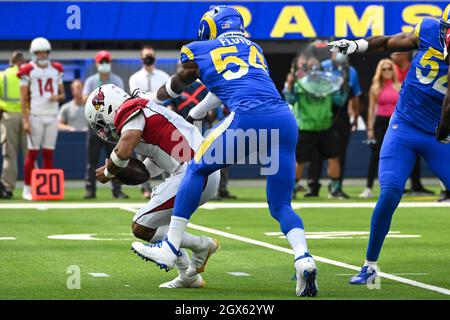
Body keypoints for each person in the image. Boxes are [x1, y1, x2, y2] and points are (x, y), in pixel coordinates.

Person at [126, 6, 318, 297]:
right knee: (280, 205)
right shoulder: (253, 47)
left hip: (249, 118)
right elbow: (226, 85)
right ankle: (303, 258)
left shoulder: (199, 48)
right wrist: (199, 110)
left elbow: (180, 83)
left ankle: (170, 246)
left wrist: (153, 97)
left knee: (196, 167)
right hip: (284, 120)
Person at [328, 10, 450, 284]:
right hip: (404, 126)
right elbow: (388, 43)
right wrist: (358, 45)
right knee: (390, 192)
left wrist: (444, 133)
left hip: (440, 133)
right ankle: (369, 265)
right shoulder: (429, 29)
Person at [85, 84, 220, 288]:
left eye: (101, 123)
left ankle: (202, 246)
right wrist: (122, 174)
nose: (105, 130)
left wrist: (108, 171)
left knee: (141, 225)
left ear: (109, 107)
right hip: (200, 171)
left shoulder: (130, 109)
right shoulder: (146, 112)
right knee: (146, 225)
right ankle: (188, 276)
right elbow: (150, 168)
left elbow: (123, 151)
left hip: (195, 173)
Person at [283, 54, 345, 199]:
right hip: (306, 127)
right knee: (299, 161)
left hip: (325, 126)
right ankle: (291, 189)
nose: (314, 70)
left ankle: (335, 189)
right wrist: (290, 85)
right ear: (305, 69)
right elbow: (290, 99)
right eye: (310, 67)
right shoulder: (300, 83)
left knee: (334, 157)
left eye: (316, 67)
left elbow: (339, 101)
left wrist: (342, 87)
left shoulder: (328, 84)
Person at [18, 37, 65, 200]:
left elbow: (62, 94)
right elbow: (23, 99)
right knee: (32, 152)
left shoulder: (56, 69)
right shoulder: (27, 70)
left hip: (52, 115)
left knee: (48, 153)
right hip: (36, 115)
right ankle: (27, 187)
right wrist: (25, 120)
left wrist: (57, 97)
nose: (43, 55)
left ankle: (46, 189)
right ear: (34, 53)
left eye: (45, 52)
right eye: (39, 52)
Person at [82, 50, 128, 199]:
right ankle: (90, 189)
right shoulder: (90, 81)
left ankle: (117, 190)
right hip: (95, 125)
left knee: (115, 158)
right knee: (91, 160)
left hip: (113, 126)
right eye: (101, 61)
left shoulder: (117, 80)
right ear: (96, 64)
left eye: (106, 61)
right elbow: (85, 100)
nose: (104, 64)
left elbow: (123, 101)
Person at [129, 47, 172, 199]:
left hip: (162, 119)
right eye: (146, 56)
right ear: (141, 58)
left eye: (151, 56)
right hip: (144, 119)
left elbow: (168, 97)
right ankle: (145, 188)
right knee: (142, 154)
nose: (149, 58)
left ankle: (168, 185)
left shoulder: (163, 76)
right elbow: (138, 98)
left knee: (167, 152)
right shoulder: (135, 78)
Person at [391, 51, 435, 196]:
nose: (392, 55)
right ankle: (397, 185)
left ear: (404, 54)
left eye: (396, 52)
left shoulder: (415, 67)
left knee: (416, 152)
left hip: (418, 115)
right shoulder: (392, 68)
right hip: (397, 115)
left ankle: (416, 185)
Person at [360, 59, 401, 198]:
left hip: (394, 123)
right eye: (384, 69)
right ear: (380, 71)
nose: (387, 71)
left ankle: (396, 187)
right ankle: (368, 188)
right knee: (376, 155)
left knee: (397, 155)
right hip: (380, 122)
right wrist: (369, 129)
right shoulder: (375, 87)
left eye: (389, 68)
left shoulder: (399, 86)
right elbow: (371, 109)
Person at [0, 51, 26, 199]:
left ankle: (7, 188)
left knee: (9, 154)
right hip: (27, 117)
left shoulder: (2, 75)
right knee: (30, 154)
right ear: (21, 62)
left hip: (8, 117)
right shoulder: (27, 74)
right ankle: (34, 187)